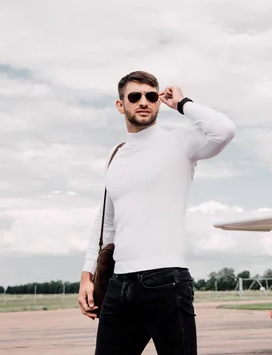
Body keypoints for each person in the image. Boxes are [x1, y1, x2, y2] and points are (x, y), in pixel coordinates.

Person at [78, 70, 236, 354]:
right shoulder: (116, 153)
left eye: (151, 96)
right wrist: (87, 275)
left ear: (159, 102)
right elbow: (106, 221)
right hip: (119, 285)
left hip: (166, 282)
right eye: (135, 96)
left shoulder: (180, 142)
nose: (144, 102)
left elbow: (224, 130)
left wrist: (183, 103)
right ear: (120, 105)